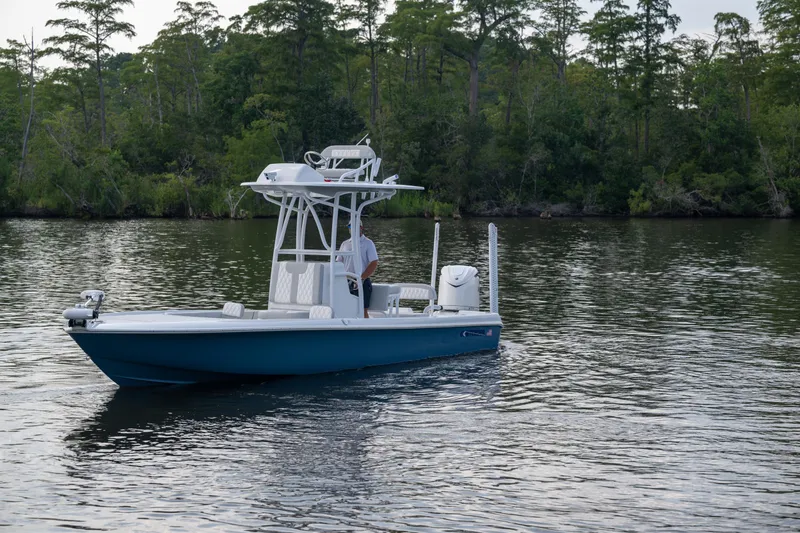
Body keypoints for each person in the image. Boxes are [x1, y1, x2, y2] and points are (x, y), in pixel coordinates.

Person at [337, 220, 378, 318]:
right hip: (346, 281)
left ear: (361, 228)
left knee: (362, 311)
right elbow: (338, 262)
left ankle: (366, 331)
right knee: (344, 309)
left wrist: (361, 278)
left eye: (355, 226)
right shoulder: (345, 244)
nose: (353, 229)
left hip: (362, 281)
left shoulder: (368, 243)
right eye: (350, 226)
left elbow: (374, 262)